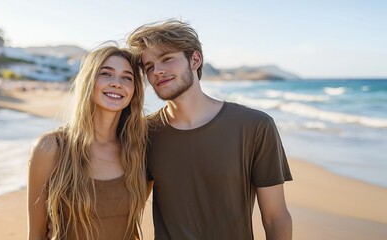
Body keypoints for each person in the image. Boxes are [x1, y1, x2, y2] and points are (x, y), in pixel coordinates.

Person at [126, 20, 293, 239]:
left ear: (195, 60)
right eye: (149, 67)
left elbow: (275, 217)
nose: (157, 71)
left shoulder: (255, 126)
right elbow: (130, 210)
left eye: (167, 59)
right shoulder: (144, 133)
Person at [28, 45, 149, 240]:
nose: (117, 83)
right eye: (106, 74)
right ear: (88, 81)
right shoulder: (52, 148)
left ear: (134, 90)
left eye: (127, 77)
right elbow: (35, 235)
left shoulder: (139, 151)